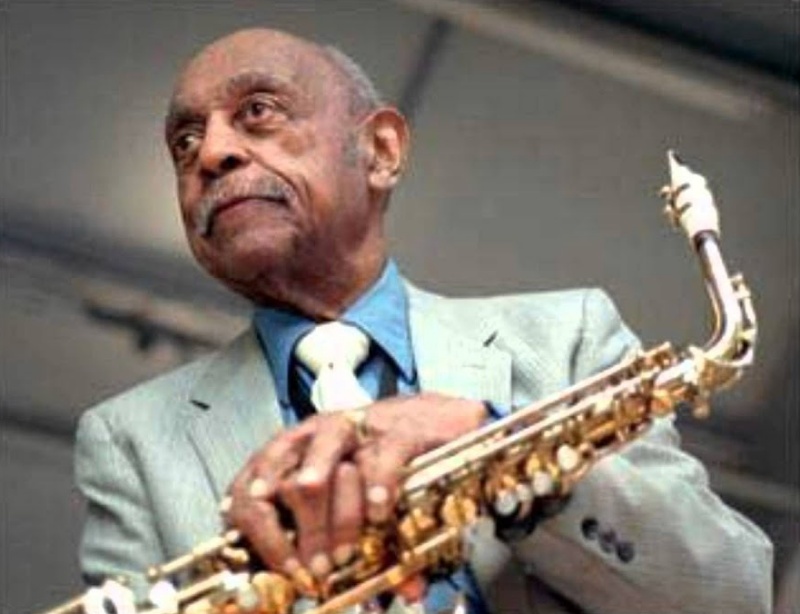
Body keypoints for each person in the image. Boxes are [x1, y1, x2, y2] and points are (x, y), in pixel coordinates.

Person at [75, 28, 773, 614]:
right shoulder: (128, 438)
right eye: (184, 143)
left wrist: (492, 442)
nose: (210, 154)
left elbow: (733, 594)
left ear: (381, 151)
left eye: (258, 111)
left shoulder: (568, 335)